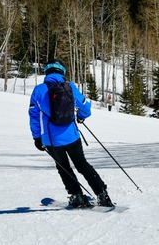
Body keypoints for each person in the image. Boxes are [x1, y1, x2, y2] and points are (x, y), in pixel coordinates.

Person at [28, 58, 113, 207]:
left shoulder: (39, 90)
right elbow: (86, 108)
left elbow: (34, 116)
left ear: (47, 72)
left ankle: (76, 196)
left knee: (64, 168)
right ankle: (102, 194)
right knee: (82, 165)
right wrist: (80, 116)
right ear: (62, 71)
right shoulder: (70, 87)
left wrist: (37, 138)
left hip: (51, 140)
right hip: (71, 136)